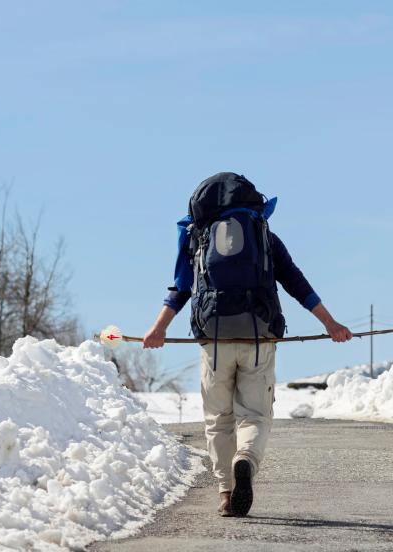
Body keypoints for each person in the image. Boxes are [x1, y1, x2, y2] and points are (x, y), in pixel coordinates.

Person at [143, 172, 352, 517]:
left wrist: (157, 330)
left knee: (218, 420)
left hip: (213, 339)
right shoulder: (264, 236)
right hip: (258, 336)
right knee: (254, 415)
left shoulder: (198, 237)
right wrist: (330, 324)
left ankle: (226, 492)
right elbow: (296, 283)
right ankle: (246, 460)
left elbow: (180, 287)